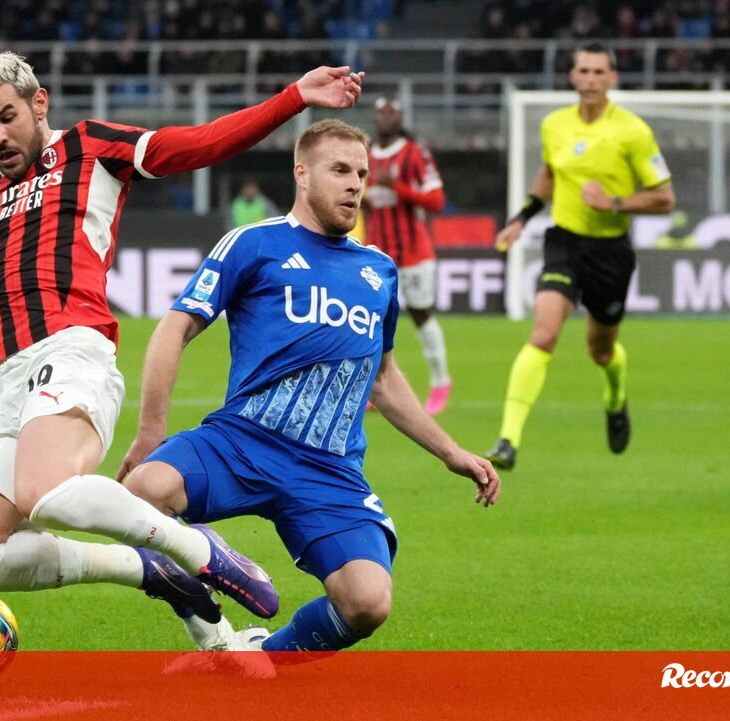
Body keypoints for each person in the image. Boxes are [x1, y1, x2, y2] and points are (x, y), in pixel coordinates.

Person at [0, 52, 367, 626]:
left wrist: (294, 98)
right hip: (1, 382)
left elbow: (202, 143)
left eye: (7, 117)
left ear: (40, 103)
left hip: (70, 350)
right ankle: (148, 569)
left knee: (44, 491)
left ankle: (199, 550)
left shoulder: (91, 148)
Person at [117, 119, 500, 657]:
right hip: (242, 442)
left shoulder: (378, 270)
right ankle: (211, 623)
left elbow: (383, 377)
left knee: (368, 603)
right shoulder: (255, 243)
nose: (355, 185)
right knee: (141, 494)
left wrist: (450, 452)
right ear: (302, 173)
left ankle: (259, 661)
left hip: (328, 466)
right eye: (340, 170)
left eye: (361, 174)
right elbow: (174, 328)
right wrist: (150, 431)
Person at [487, 42, 675, 470]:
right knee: (543, 334)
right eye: (583, 71)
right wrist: (522, 218)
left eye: (598, 72)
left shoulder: (633, 131)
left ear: (612, 78)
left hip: (610, 251)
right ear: (572, 76)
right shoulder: (554, 125)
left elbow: (665, 198)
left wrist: (614, 203)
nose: (590, 80)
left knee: (601, 351)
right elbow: (550, 173)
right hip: (565, 243)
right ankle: (508, 440)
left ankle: (615, 397)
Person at [355, 97, 451, 415]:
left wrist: (397, 187)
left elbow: (436, 201)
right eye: (380, 113)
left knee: (422, 315)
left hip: (413, 252)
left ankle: (441, 381)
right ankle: (374, 388)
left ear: (400, 118)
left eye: (391, 114)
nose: (385, 119)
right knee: (369, 320)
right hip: (376, 253)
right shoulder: (364, 154)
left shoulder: (415, 153)